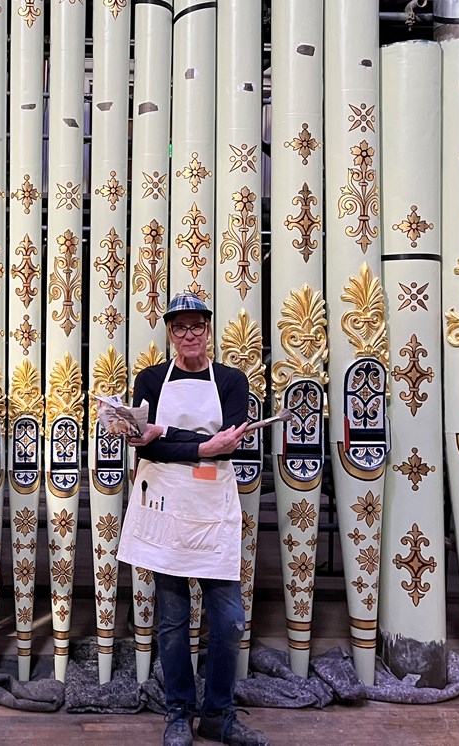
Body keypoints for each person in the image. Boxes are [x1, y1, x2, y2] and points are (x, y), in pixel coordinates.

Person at [115, 292, 270, 746]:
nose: (188, 335)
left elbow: (232, 442)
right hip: (163, 504)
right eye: (179, 327)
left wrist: (170, 439)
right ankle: (178, 711)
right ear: (169, 332)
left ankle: (219, 713)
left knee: (228, 621)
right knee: (173, 620)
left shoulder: (231, 380)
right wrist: (201, 446)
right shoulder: (149, 380)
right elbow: (143, 444)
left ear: (208, 330)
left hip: (210, 504)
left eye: (196, 326)